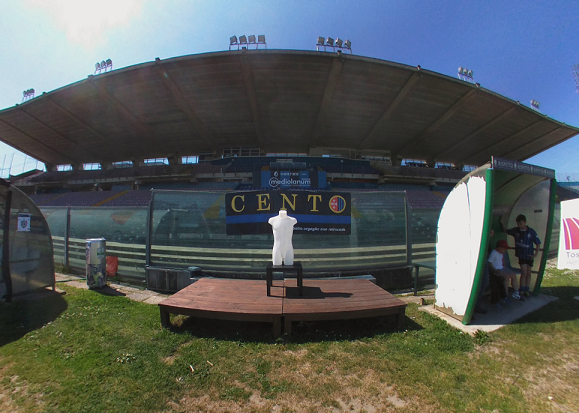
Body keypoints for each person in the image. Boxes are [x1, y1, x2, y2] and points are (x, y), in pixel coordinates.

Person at [506, 214, 541, 297]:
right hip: (521, 255)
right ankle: (521, 289)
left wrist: (536, 254)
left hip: (529, 255)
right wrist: (502, 222)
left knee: (528, 273)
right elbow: (506, 231)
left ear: (525, 222)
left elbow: (538, 243)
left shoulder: (531, 231)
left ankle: (526, 289)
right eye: (518, 224)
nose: (519, 225)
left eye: (521, 223)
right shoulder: (516, 231)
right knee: (524, 272)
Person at [488, 240, 524, 306]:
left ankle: (516, 292)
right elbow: (490, 263)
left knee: (513, 274)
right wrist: (495, 271)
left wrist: (505, 267)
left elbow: (502, 260)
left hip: (502, 267)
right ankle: (505, 295)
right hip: (496, 269)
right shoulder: (494, 253)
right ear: (500, 248)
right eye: (504, 249)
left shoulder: (501, 253)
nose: (505, 250)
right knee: (506, 277)